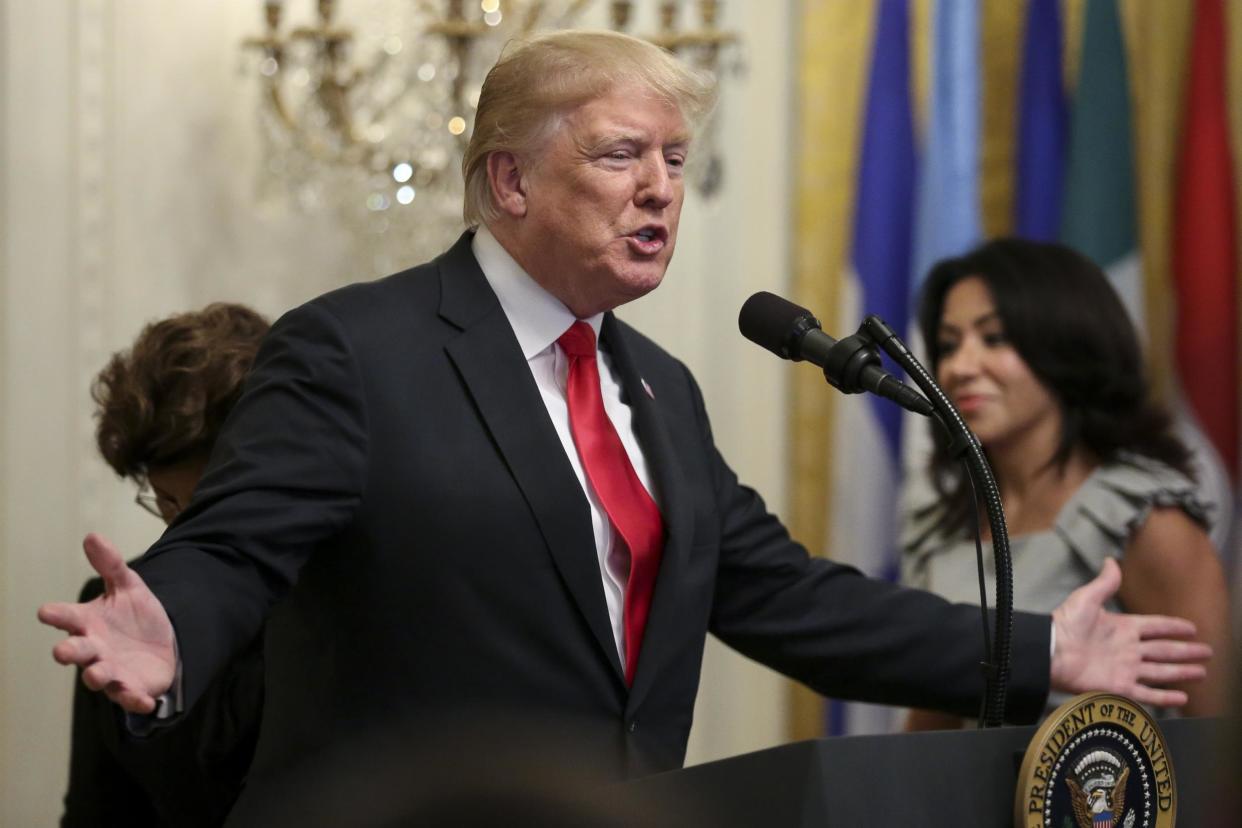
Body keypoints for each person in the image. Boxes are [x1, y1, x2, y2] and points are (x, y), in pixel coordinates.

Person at [38, 32, 1212, 818]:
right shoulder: (357, 351)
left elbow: (789, 598)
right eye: (619, 155)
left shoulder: (658, 389)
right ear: (509, 183)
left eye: (674, 160)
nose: (659, 188)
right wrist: (172, 631)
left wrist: (1042, 650)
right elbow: (233, 548)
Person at [902, 238, 1232, 730]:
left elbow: (1220, 739)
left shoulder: (1142, 518)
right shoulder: (945, 530)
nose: (959, 367)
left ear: (1066, 342)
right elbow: (927, 739)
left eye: (993, 339)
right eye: (948, 345)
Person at [62, 303, 270, 825]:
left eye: (206, 503)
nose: (184, 532)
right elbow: (97, 814)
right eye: (166, 502)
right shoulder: (111, 614)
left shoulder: (350, 597)